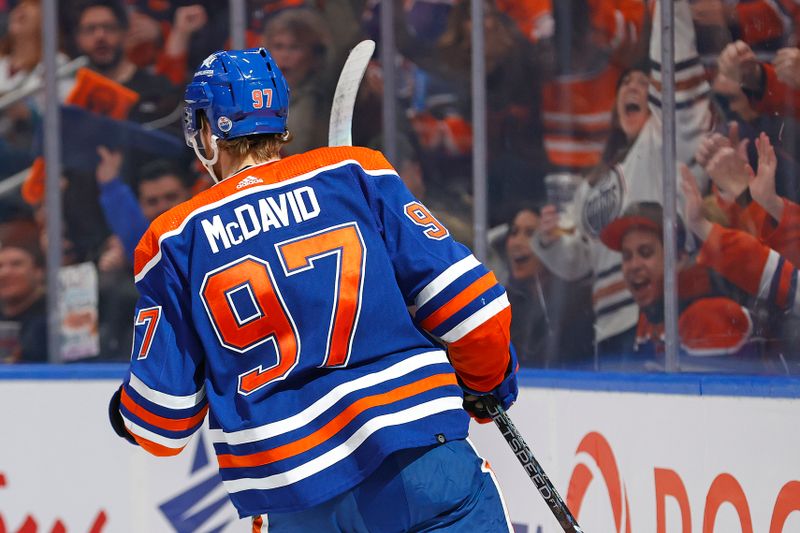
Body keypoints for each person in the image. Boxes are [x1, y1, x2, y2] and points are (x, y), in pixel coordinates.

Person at [107, 48, 517, 531]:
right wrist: (486, 385)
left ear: (206, 129)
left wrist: (124, 413)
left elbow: (163, 422)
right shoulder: (358, 174)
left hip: (298, 498)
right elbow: (475, 313)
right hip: (425, 464)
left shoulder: (176, 239)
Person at [533, 0, 711, 358]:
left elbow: (679, 81)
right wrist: (549, 238)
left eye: (644, 84)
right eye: (625, 83)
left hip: (663, 316)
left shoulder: (666, 148)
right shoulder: (596, 180)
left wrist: (666, 10)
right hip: (609, 326)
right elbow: (580, 259)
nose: (632, 88)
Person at [599, 201, 757, 368]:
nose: (634, 265)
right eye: (627, 256)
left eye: (646, 253)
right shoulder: (650, 315)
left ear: (680, 259)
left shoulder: (706, 315)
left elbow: (706, 392)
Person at [503, 205, 594, 368]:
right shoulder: (505, 303)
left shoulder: (577, 302)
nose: (517, 242)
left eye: (530, 233)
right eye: (514, 232)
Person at [0, 219, 47, 363]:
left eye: (16, 264)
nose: (5, 273)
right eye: (0, 266)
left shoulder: (52, 319)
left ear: (38, 272)